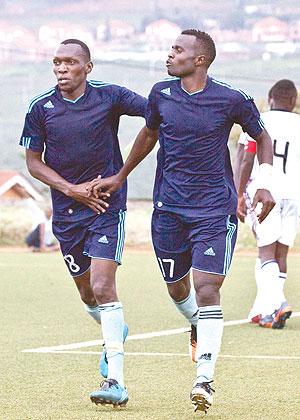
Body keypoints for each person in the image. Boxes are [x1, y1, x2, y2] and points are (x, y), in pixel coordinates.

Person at [87, 29, 275, 413]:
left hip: (213, 210)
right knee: (178, 290)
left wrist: (265, 184)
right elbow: (148, 135)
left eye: (177, 50)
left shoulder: (232, 99)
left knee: (208, 290)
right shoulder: (161, 94)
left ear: (199, 59)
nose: (169, 55)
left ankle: (204, 379)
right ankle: (195, 323)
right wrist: (120, 176)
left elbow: (262, 137)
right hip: (169, 210)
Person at [19, 39, 147, 407]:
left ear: (88, 67)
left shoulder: (111, 97)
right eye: (57, 62)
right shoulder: (40, 107)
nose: (61, 68)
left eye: (70, 62)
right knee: (87, 294)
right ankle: (114, 331)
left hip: (106, 208)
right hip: (67, 212)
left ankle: (116, 381)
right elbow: (33, 161)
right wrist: (70, 190)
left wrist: (122, 174)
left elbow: (156, 114)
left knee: (104, 286)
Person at [236, 79, 300, 329]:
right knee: (280, 253)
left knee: (265, 250)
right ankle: (264, 310)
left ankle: (278, 302)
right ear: (294, 101)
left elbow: (245, 158)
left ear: (270, 98)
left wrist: (239, 193)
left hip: (265, 193)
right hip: (293, 195)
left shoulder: (258, 120)